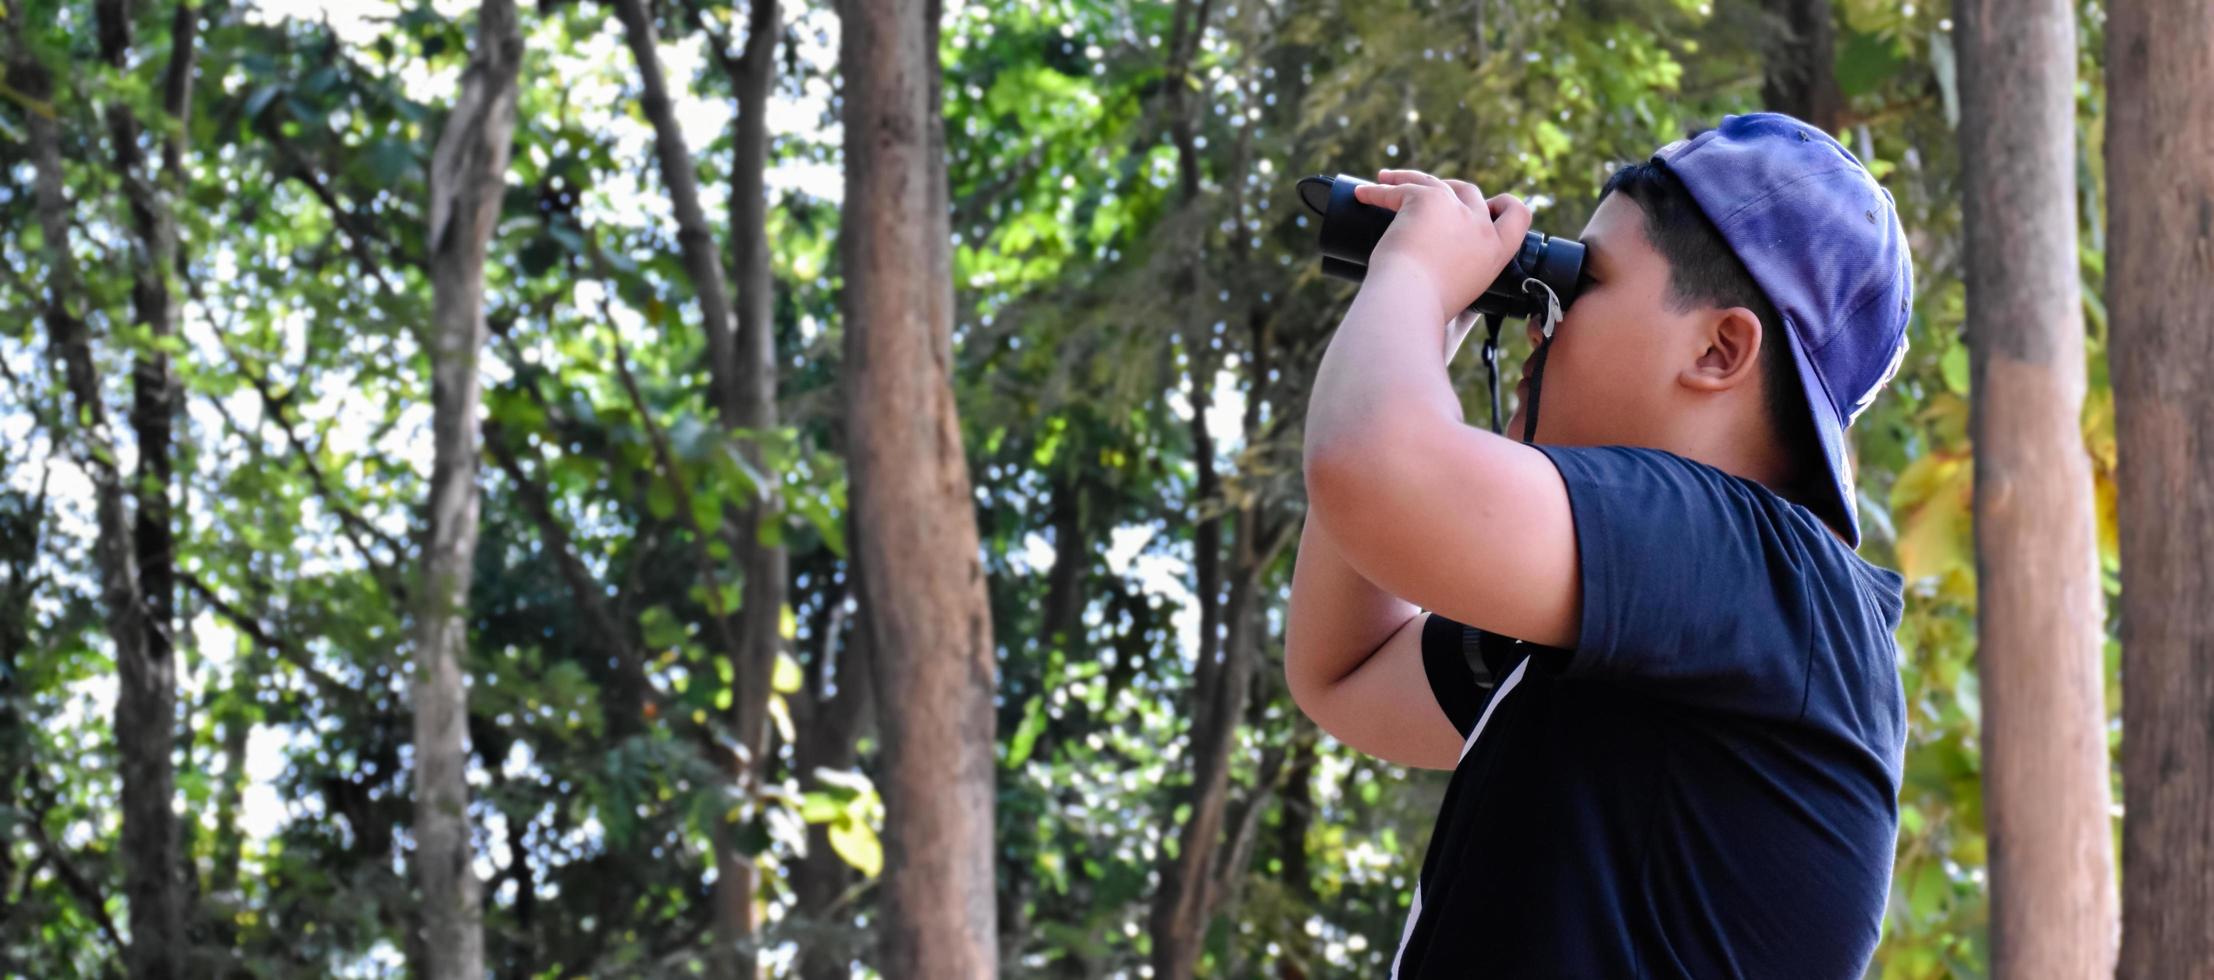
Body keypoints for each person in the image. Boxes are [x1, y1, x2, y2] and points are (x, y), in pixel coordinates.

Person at [1284, 113, 1914, 978]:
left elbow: (1374, 470)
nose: (1543, 318)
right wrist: (1420, 325)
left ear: (1720, 348)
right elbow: (1346, 672)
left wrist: (1418, 276)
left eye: (1583, 285)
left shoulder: (1760, 570)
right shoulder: (1688, 626)